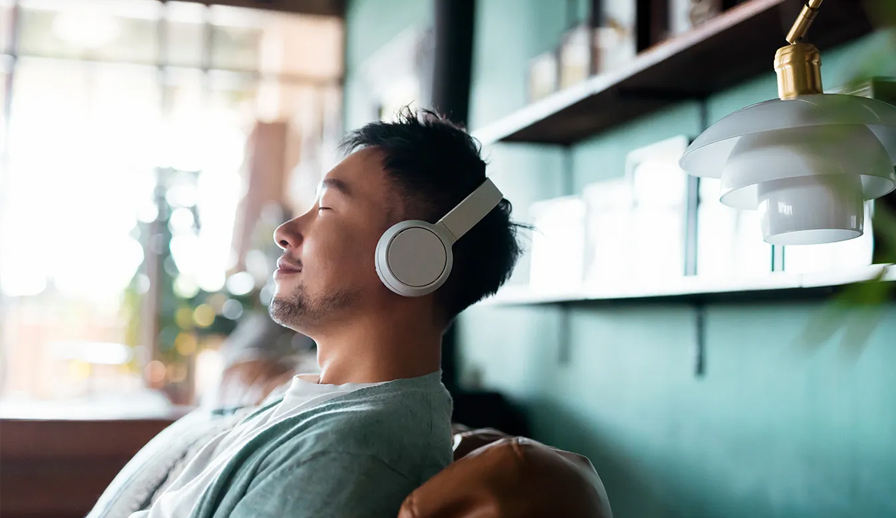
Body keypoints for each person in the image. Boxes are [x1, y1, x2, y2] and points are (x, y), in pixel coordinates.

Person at [130, 108, 526, 518]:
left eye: (326, 209)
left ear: (412, 258)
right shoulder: (314, 401)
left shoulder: (351, 453)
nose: (284, 232)